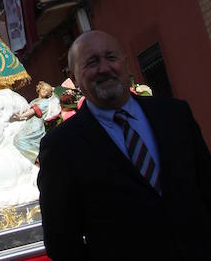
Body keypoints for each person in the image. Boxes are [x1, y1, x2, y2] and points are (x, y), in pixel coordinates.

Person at [37, 30, 211, 260]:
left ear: (125, 63)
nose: (104, 68)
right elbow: (62, 242)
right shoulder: (60, 147)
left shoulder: (175, 115)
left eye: (111, 57)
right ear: (73, 77)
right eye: (91, 62)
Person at [11, 81, 60, 164]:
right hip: (29, 122)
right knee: (20, 140)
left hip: (35, 125)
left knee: (20, 139)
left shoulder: (45, 102)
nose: (45, 91)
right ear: (39, 89)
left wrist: (21, 116)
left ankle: (37, 158)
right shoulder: (35, 100)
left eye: (47, 91)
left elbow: (33, 110)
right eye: (43, 89)